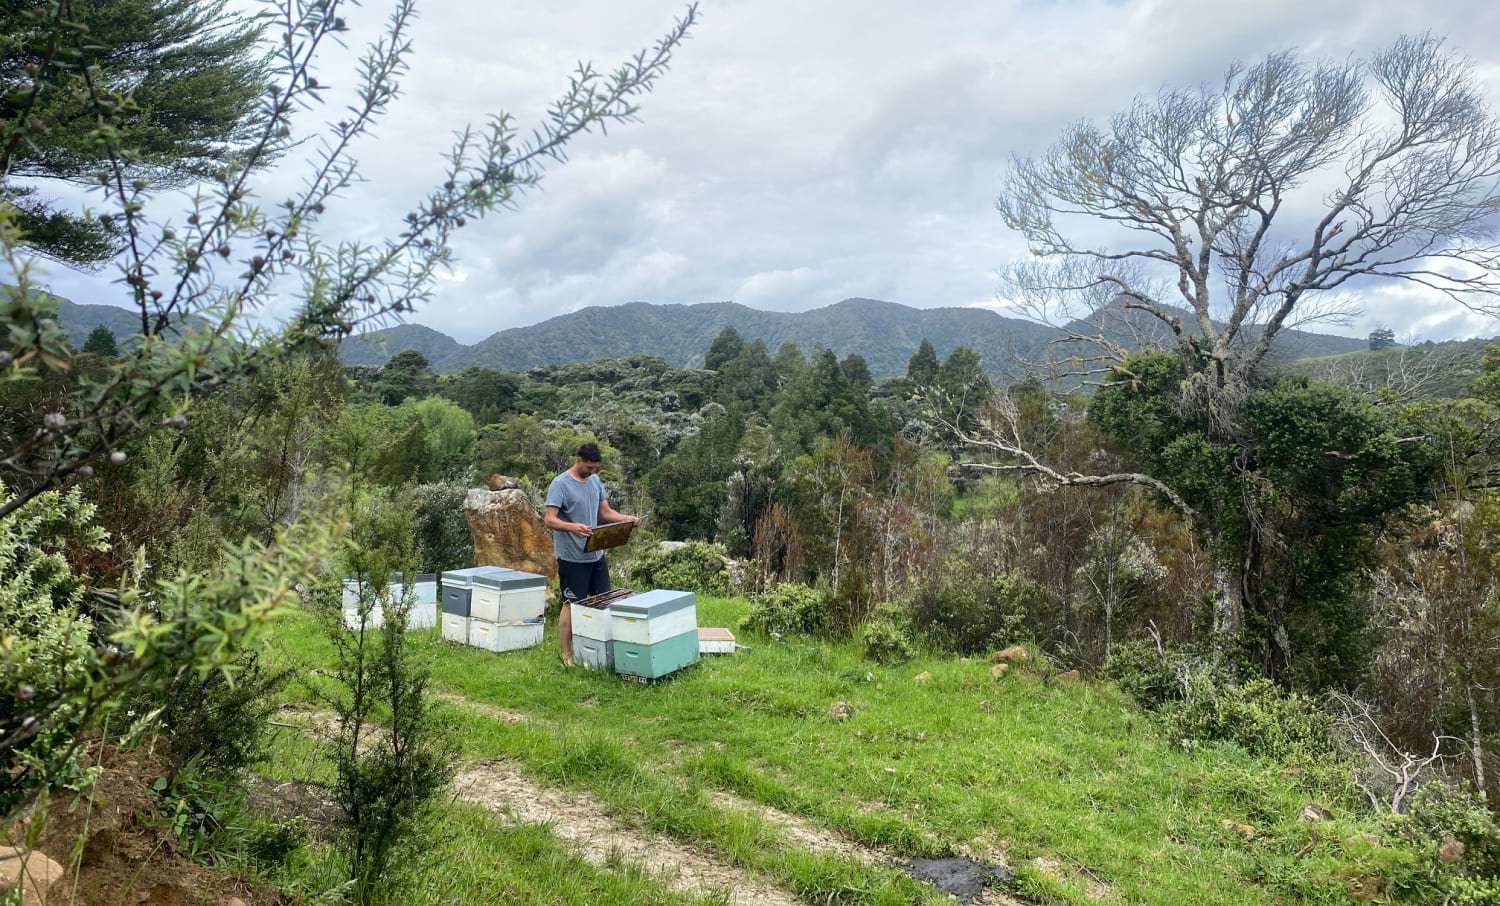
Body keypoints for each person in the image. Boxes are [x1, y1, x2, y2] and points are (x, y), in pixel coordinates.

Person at [544, 442, 639, 666]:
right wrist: (573, 527)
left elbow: (605, 513)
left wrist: (627, 519)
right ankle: (567, 654)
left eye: (595, 468)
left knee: (604, 601)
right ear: (578, 460)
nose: (592, 472)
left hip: (595, 553)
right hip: (571, 557)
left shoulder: (595, 480)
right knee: (571, 603)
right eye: (588, 467)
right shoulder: (560, 484)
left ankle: (600, 652)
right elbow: (549, 519)